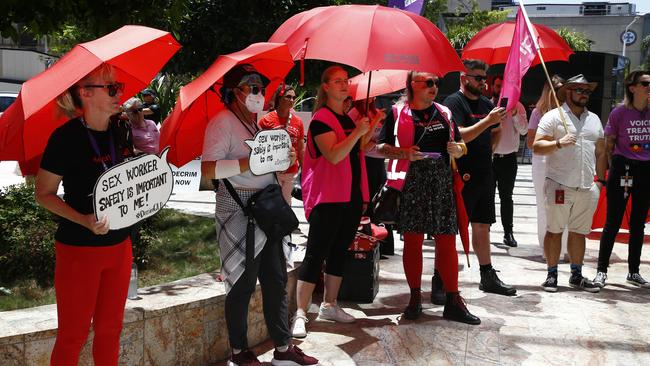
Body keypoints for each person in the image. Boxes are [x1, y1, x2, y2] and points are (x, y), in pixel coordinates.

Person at [200, 64, 317, 366]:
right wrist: (248, 161)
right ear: (233, 92)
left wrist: (283, 158)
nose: (258, 93)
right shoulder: (221, 123)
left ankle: (282, 347)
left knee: (276, 280)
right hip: (239, 211)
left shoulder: (255, 125)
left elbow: (261, 164)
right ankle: (239, 351)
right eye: (251, 88)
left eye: (260, 88)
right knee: (241, 282)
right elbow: (209, 170)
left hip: (265, 210)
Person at [35, 64, 134, 365]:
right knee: (73, 336)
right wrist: (83, 220)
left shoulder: (121, 130)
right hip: (79, 251)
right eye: (112, 88)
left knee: (110, 331)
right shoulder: (65, 138)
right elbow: (43, 193)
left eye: (118, 87)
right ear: (85, 93)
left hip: (120, 247)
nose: (120, 94)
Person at [377, 71, 480, 324]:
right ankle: (415, 298)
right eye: (429, 83)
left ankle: (453, 300)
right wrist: (402, 153)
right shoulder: (397, 113)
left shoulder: (444, 112)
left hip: (442, 182)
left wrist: (460, 148)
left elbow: (459, 143)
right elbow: (379, 147)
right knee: (412, 241)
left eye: (436, 83)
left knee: (446, 240)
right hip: (411, 182)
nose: (434, 87)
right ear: (413, 85)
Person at [291, 65, 376, 338]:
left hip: (350, 196)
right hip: (327, 197)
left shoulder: (348, 118)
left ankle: (330, 304)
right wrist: (357, 133)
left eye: (345, 81)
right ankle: (301, 313)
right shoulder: (321, 119)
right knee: (316, 253)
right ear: (325, 87)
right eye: (337, 81)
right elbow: (334, 155)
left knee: (339, 251)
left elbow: (356, 152)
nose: (344, 85)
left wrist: (368, 128)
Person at [441, 59, 516, 298]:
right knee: (452, 227)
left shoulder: (485, 103)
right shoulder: (454, 102)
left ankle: (487, 275)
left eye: (484, 78)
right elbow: (459, 134)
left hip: (484, 172)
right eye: (478, 78)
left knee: (482, 225)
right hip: (461, 173)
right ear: (464, 79)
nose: (483, 83)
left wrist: (490, 150)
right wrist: (487, 122)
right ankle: (440, 278)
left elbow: (497, 131)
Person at [533, 74, 606, 293]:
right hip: (559, 184)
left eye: (587, 91)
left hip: (586, 186)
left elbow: (601, 151)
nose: (584, 94)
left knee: (579, 232)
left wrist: (600, 181)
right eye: (579, 90)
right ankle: (552, 275)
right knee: (554, 231)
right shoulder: (553, 117)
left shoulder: (594, 118)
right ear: (568, 92)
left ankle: (576, 275)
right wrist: (558, 142)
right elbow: (536, 146)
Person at [593, 70, 650, 288]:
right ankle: (601, 270)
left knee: (638, 224)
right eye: (645, 83)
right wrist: (611, 169)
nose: (648, 87)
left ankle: (633, 271)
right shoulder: (619, 113)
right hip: (623, 167)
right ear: (632, 87)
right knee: (613, 222)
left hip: (646, 170)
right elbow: (608, 145)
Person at [527, 75, 568, 259]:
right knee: (544, 206)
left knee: (565, 205)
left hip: (564, 164)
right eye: (556, 87)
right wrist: (555, 139)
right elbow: (530, 142)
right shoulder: (538, 112)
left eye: (562, 87)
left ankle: (564, 247)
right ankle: (547, 248)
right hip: (542, 164)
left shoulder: (569, 112)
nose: (559, 90)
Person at [349, 97, 394, 255]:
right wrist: (375, 121)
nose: (374, 96)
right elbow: (362, 143)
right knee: (368, 204)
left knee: (381, 201)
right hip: (365, 161)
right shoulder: (355, 113)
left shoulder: (375, 111)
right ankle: (367, 242)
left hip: (378, 161)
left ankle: (382, 244)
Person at [491, 75, 528, 247]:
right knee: (487, 196)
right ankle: (485, 229)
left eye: (503, 86)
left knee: (507, 197)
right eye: (497, 86)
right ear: (492, 87)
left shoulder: (518, 106)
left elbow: (524, 130)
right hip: (489, 159)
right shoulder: (487, 105)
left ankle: (508, 232)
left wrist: (514, 114)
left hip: (508, 160)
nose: (500, 89)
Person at [259, 84, 305, 204]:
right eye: (288, 97)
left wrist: (304, 169)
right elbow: (259, 148)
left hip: (291, 172)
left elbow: (301, 148)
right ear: (279, 98)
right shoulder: (265, 120)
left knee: (286, 206)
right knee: (272, 205)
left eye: (293, 97)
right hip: (272, 173)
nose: (292, 100)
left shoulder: (298, 122)